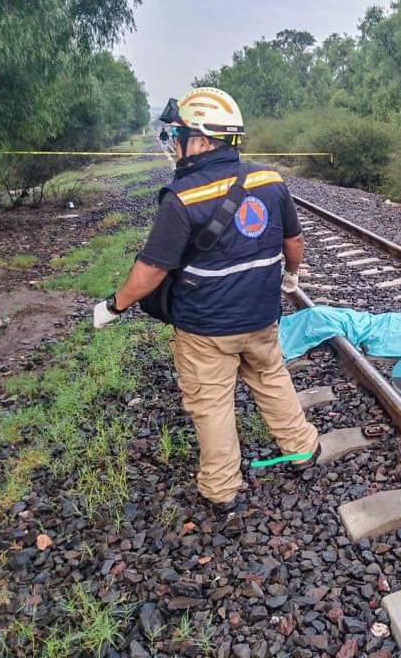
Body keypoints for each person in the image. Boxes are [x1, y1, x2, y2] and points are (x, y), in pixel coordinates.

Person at [93, 86, 320, 512]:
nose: (174, 143)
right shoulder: (270, 180)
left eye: (177, 134)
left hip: (206, 328)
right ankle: (303, 448)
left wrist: (114, 305)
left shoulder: (182, 199)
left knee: (212, 403)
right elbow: (293, 240)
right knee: (270, 376)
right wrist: (291, 277)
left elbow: (151, 271)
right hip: (260, 316)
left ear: (199, 140)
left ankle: (222, 489)